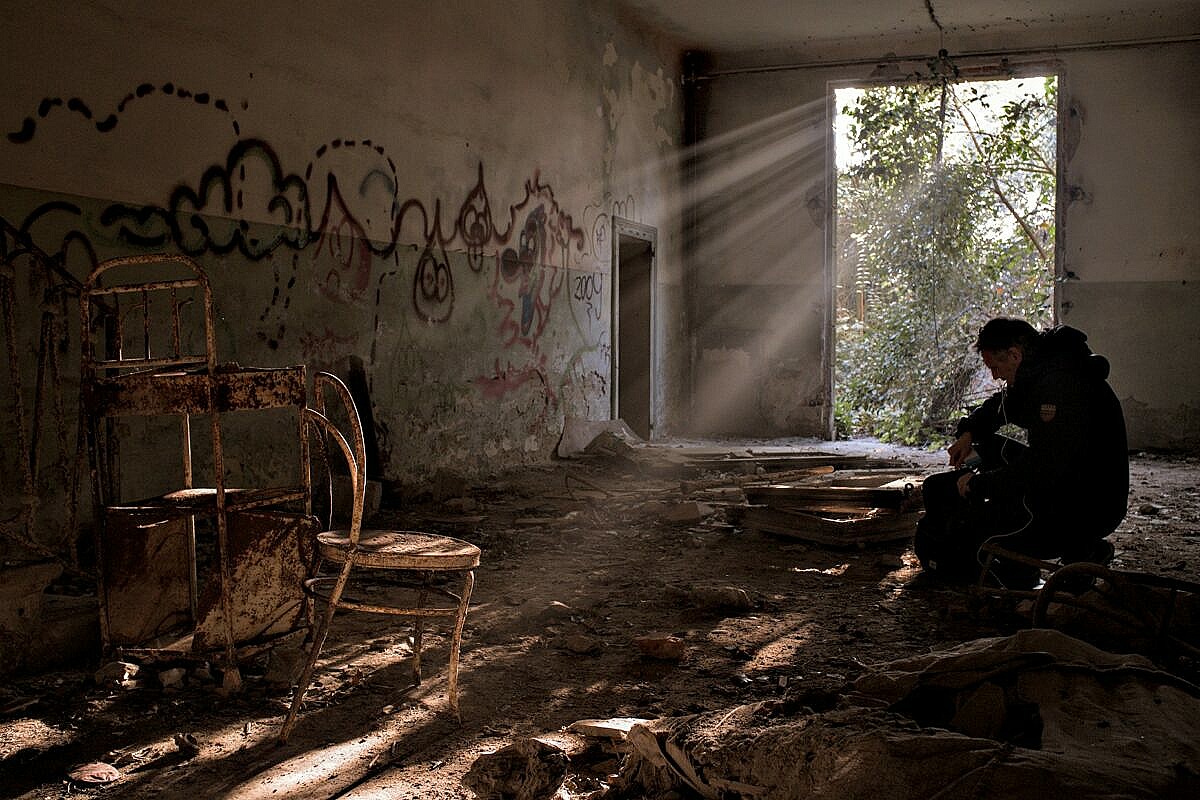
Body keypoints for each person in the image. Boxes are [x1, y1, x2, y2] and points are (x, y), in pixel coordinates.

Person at [915, 317, 1129, 588]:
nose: (995, 376)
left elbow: (1042, 468)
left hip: (1086, 507)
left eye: (996, 367)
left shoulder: (1060, 385)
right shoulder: (1041, 370)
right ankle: (1076, 550)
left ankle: (1074, 552)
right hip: (1072, 485)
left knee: (971, 529)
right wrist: (969, 433)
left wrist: (980, 486)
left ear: (1015, 354)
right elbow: (1000, 406)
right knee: (988, 451)